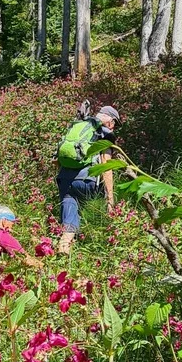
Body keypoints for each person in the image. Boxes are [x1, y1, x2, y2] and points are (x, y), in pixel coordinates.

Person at [56, 104, 120, 253]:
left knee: (70, 210)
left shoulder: (77, 127)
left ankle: (64, 248)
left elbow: (59, 158)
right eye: (115, 124)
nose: (114, 128)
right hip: (87, 181)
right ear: (110, 121)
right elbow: (106, 167)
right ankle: (99, 242)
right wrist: (110, 199)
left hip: (65, 179)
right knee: (95, 207)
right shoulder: (103, 134)